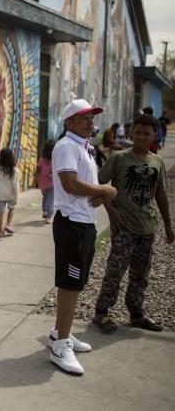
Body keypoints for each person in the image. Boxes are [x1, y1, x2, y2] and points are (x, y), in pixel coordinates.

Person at [49, 99, 117, 375]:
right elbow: (70, 184)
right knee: (70, 285)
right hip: (71, 225)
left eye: (92, 117)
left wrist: (99, 195)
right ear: (69, 122)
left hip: (84, 224)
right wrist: (104, 189)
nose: (90, 121)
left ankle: (59, 333)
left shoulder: (84, 147)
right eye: (84, 117)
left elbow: (82, 187)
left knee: (76, 282)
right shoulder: (66, 146)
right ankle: (60, 346)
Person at [92, 114, 173, 333]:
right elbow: (98, 185)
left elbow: (161, 193)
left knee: (141, 273)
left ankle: (136, 314)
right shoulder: (119, 158)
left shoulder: (157, 161)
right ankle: (101, 312)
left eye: (147, 133)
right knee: (115, 270)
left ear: (154, 135)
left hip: (147, 227)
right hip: (124, 227)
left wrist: (167, 224)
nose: (141, 137)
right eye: (137, 132)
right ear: (131, 133)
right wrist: (111, 211)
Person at [0, 148, 18, 238]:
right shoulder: (14, 170)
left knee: (0, 212)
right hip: (10, 194)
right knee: (12, 208)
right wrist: (16, 196)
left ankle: (0, 231)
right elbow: (15, 185)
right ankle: (8, 224)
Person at [34, 140, 55, 224]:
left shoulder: (41, 160)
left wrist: (35, 181)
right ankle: (48, 216)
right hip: (51, 183)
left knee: (45, 197)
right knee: (51, 199)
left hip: (42, 183)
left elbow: (37, 172)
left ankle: (45, 210)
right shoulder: (54, 161)